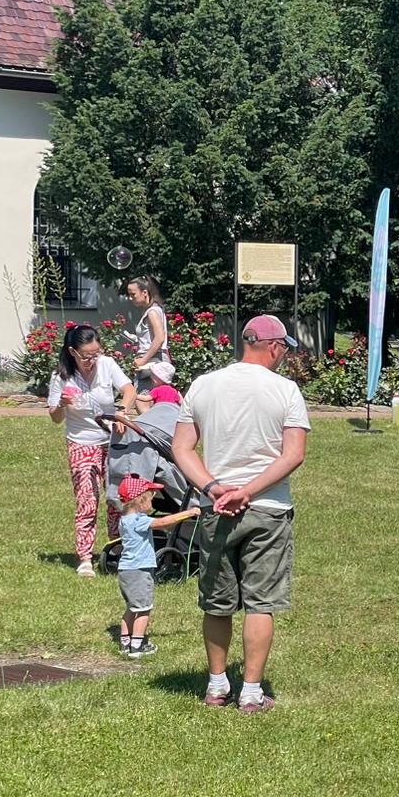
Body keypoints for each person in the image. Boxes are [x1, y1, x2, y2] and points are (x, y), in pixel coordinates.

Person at [172, 315, 310, 712]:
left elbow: (181, 448)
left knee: (217, 601)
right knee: (260, 602)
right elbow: (293, 454)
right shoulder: (286, 390)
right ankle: (250, 692)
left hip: (215, 508)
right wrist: (247, 491)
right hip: (268, 508)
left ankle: (217, 686)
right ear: (274, 346)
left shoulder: (203, 384)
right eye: (284, 348)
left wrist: (214, 488)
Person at [47, 324, 135, 577]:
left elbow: (128, 390)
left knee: (117, 497)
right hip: (81, 442)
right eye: (87, 356)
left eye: (96, 353)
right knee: (87, 499)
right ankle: (85, 558)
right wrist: (62, 404)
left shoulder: (106, 364)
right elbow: (55, 418)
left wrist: (122, 410)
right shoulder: (61, 376)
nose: (92, 360)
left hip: (112, 440)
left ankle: (117, 549)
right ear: (72, 352)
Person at [114, 474, 201, 658]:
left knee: (131, 607)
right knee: (143, 609)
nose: (153, 502)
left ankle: (125, 642)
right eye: (151, 498)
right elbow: (162, 523)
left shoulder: (124, 520)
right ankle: (138, 646)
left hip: (125, 570)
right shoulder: (139, 520)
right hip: (139, 570)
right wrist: (189, 513)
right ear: (141, 500)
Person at [124, 275, 174, 394]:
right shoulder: (155, 309)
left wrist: (143, 360)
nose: (130, 298)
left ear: (145, 292)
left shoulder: (152, 312)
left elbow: (160, 338)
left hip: (152, 362)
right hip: (155, 360)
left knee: (144, 399)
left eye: (133, 294)